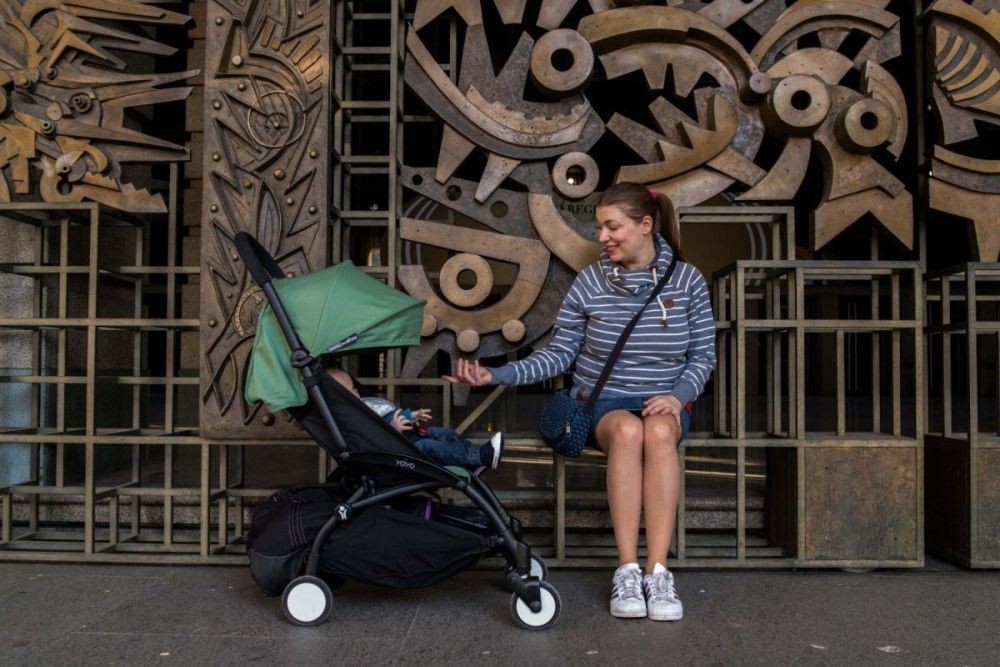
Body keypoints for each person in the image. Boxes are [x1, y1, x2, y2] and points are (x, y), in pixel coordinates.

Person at [444, 182, 716, 621]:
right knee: (628, 430)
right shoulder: (591, 281)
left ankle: (659, 573)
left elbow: (703, 355)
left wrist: (677, 396)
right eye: (600, 227)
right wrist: (497, 372)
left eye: (613, 227)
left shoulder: (686, 280)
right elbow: (559, 354)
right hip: (604, 403)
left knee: (660, 430)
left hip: (665, 402)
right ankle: (627, 570)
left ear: (646, 226)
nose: (603, 237)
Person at [327, 367, 504, 471]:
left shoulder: (364, 405)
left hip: (410, 437)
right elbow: (373, 439)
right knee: (430, 446)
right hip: (400, 453)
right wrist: (394, 430)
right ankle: (481, 455)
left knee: (443, 432)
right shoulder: (353, 420)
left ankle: (471, 460)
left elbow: (388, 415)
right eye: (351, 390)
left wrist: (411, 415)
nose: (357, 391)